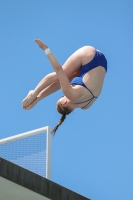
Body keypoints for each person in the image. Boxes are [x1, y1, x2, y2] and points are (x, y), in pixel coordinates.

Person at [22, 39, 107, 134]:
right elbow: (58, 70)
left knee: (65, 78)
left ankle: (36, 97)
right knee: (57, 76)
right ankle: (33, 94)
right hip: (89, 56)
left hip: (102, 62)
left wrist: (38, 99)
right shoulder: (70, 94)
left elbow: (61, 83)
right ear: (64, 103)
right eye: (62, 97)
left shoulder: (86, 106)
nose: (63, 95)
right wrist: (46, 49)